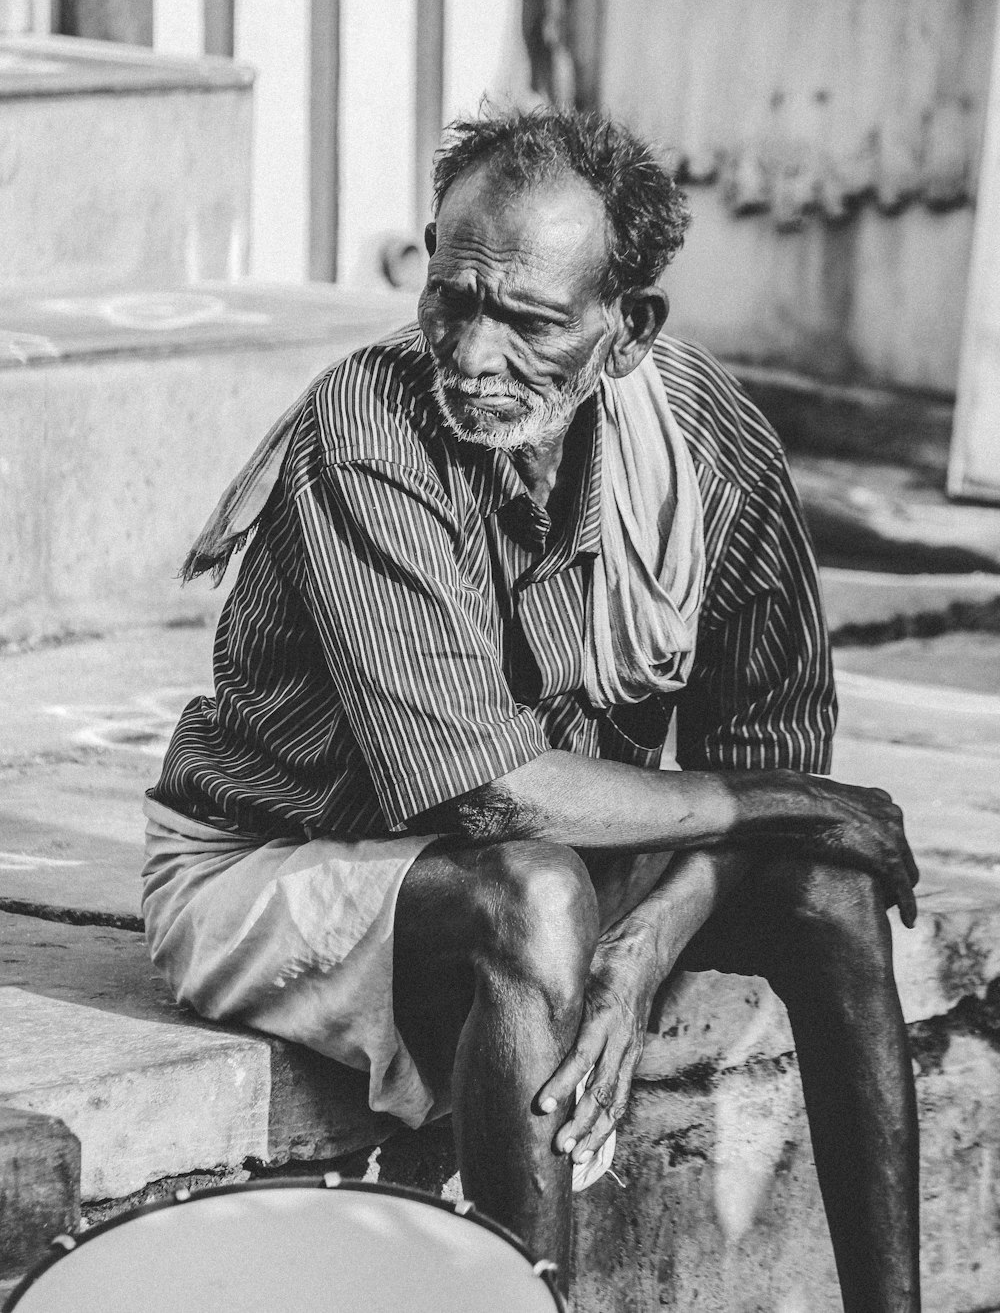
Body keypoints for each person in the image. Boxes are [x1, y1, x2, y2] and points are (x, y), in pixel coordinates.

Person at [143, 109, 920, 1311]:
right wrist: (801, 802)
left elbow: (754, 770)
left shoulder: (712, 451)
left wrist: (645, 948)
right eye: (454, 299)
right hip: (281, 863)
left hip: (549, 853)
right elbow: (491, 792)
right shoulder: (368, 433)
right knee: (540, 887)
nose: (471, 352)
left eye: (531, 321)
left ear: (625, 331)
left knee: (828, 886)